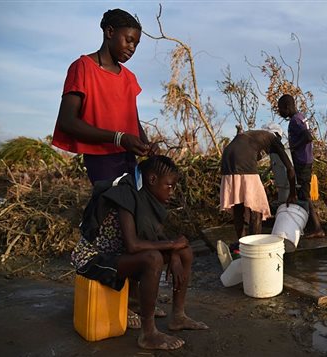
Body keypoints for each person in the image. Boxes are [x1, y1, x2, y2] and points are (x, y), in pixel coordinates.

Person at [71, 156, 208, 351]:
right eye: (169, 186)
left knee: (185, 251)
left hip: (118, 255)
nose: (172, 191)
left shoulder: (147, 196)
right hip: (93, 259)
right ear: (152, 180)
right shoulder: (125, 193)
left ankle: (178, 316)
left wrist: (175, 252)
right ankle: (148, 333)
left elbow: (156, 237)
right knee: (153, 259)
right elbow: (134, 245)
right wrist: (172, 245)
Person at [52, 8, 158, 185]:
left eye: (136, 45)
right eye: (129, 40)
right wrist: (118, 138)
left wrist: (147, 146)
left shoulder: (129, 78)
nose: (132, 48)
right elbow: (67, 121)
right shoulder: (83, 68)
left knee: (131, 208)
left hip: (129, 158)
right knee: (114, 207)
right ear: (110, 32)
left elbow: (133, 121)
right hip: (101, 159)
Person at [220, 129, 297, 240]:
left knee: (238, 205)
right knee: (257, 207)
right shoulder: (274, 139)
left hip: (227, 158)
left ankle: (242, 244)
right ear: (278, 136)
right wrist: (293, 194)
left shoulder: (253, 136)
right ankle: (255, 245)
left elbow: (254, 154)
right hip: (243, 162)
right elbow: (290, 168)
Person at [277, 94, 325, 238]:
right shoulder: (300, 117)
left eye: (280, 109)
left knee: (304, 195)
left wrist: (293, 148)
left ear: (287, 107)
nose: (279, 112)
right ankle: (311, 227)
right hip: (306, 160)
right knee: (303, 193)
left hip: (302, 161)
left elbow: (308, 137)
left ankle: (317, 228)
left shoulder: (295, 120)